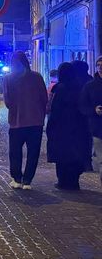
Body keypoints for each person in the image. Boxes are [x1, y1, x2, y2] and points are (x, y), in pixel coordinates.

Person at [3, 51, 48, 190]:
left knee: (15, 152)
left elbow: (7, 101)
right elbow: (44, 98)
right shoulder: (37, 77)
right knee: (33, 152)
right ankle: (27, 181)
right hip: (36, 121)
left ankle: (17, 178)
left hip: (17, 122)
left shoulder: (8, 79)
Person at [47, 62, 91, 190]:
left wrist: (51, 126)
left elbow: (55, 110)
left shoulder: (60, 89)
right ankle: (73, 181)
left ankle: (63, 181)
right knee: (74, 156)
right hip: (78, 128)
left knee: (62, 157)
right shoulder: (80, 87)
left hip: (61, 128)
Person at [79, 56, 102, 185]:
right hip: (98, 128)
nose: (100, 67)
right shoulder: (90, 86)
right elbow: (83, 105)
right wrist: (94, 110)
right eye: (98, 65)